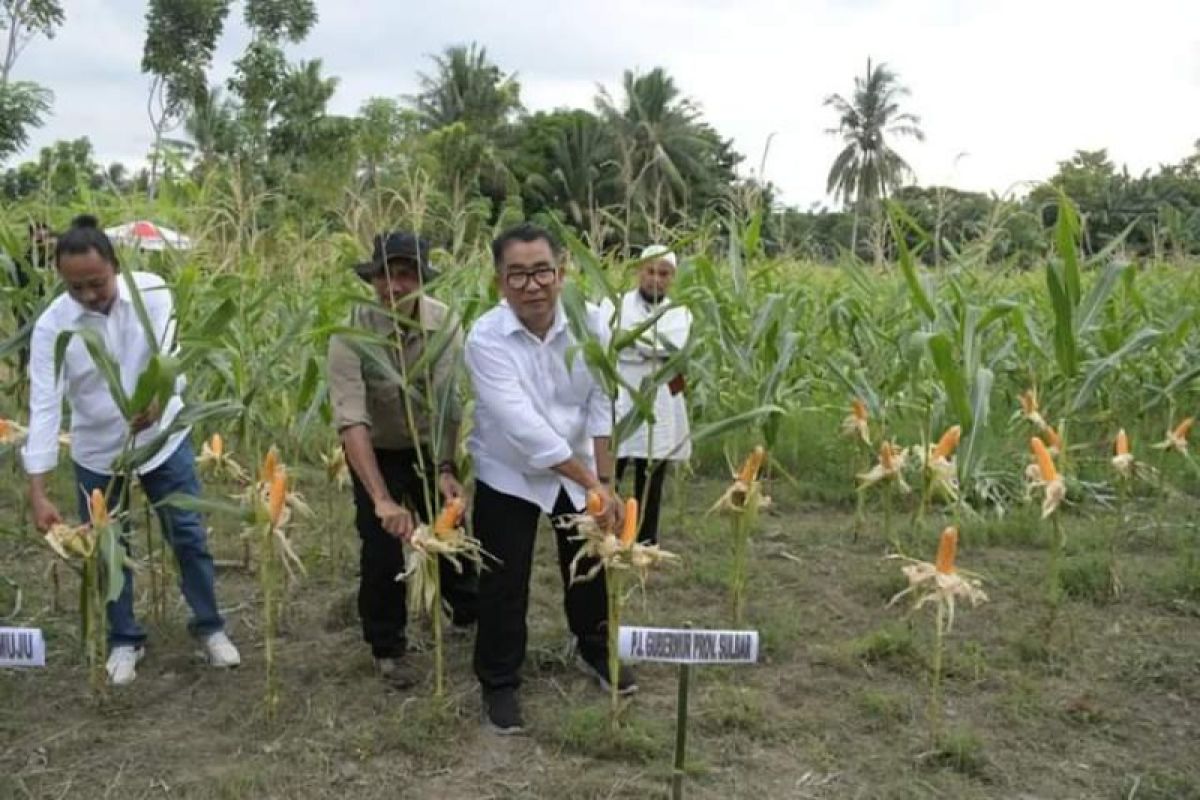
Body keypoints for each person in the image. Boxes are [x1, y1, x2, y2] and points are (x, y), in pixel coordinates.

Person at [22, 215, 239, 686]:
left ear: (115, 265)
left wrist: (158, 402)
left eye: (96, 283)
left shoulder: (153, 293)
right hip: (98, 450)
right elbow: (43, 406)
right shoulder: (52, 327)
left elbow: (170, 358)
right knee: (107, 549)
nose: (88, 296)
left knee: (187, 533)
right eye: (75, 287)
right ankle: (124, 639)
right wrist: (37, 488)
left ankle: (210, 627)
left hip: (163, 440)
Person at [466, 221, 636, 735]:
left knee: (590, 566)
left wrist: (605, 482)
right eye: (517, 275)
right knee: (503, 581)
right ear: (500, 283)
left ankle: (595, 650)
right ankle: (499, 683)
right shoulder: (485, 338)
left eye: (541, 271)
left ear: (561, 273)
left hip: (580, 468)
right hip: (509, 472)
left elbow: (604, 402)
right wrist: (591, 481)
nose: (531, 284)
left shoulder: (592, 324)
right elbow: (524, 430)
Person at [327, 231, 478, 688]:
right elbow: (352, 421)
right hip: (376, 451)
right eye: (385, 276)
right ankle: (387, 646)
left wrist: (447, 468)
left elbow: (450, 404)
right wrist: (381, 498)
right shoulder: (351, 332)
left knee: (451, 537)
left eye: (406, 275)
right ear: (373, 279)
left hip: (430, 449)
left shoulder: (446, 324)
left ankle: (467, 614)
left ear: (422, 280)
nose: (395, 286)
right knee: (381, 548)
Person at [602, 245, 692, 545]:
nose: (655, 279)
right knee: (612, 464)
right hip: (622, 390)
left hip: (659, 396)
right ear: (639, 271)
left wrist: (632, 340)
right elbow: (608, 336)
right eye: (650, 271)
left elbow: (671, 346)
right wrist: (647, 343)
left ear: (672, 277)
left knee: (651, 471)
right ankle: (603, 531)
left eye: (663, 273)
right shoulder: (615, 302)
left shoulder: (680, 312)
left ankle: (645, 539)